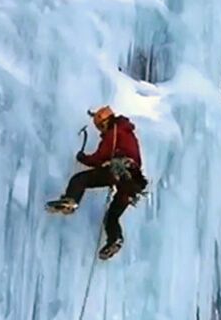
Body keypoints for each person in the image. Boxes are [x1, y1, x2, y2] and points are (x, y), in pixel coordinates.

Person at [46, 106, 148, 260]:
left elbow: (100, 158)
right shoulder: (128, 134)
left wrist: (83, 158)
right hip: (132, 183)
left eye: (100, 126)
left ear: (106, 121)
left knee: (79, 179)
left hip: (118, 171)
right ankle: (115, 240)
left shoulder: (114, 132)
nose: (101, 130)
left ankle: (71, 200)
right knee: (112, 217)